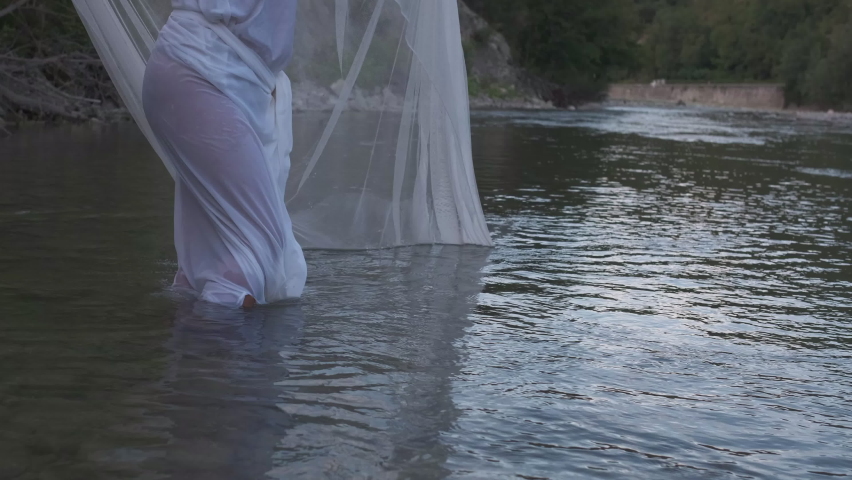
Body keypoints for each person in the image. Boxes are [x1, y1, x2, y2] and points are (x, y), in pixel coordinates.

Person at [142, 0, 306, 309]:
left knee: (209, 255)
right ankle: (228, 349)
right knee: (254, 255)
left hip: (202, 70)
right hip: (203, 70)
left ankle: (195, 349)